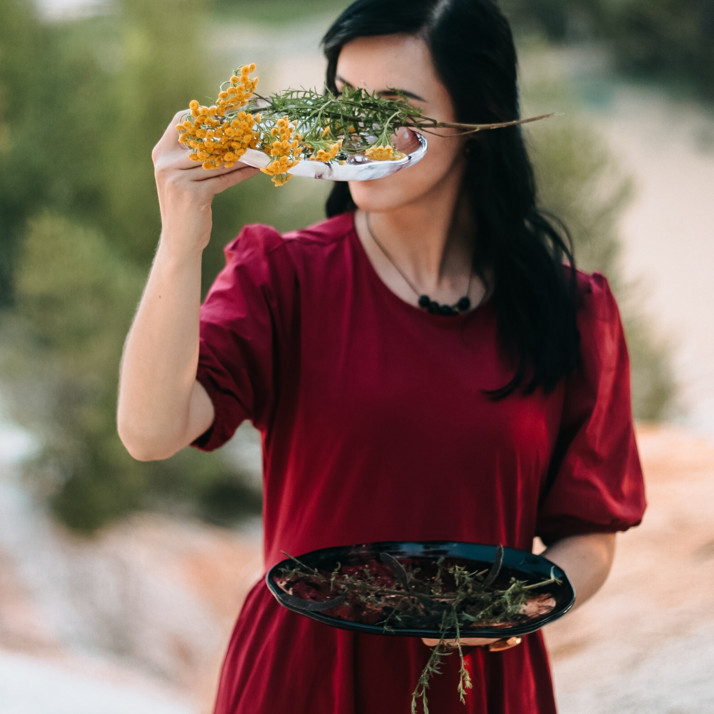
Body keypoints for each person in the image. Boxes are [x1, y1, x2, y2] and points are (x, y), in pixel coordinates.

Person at [117, 0, 646, 711]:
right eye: (343, 103)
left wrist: (514, 609)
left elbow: (591, 536)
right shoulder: (283, 278)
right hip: (301, 679)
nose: (357, 132)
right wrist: (181, 237)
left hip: (473, 682)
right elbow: (150, 432)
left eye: (392, 108)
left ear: (476, 119)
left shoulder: (572, 310)